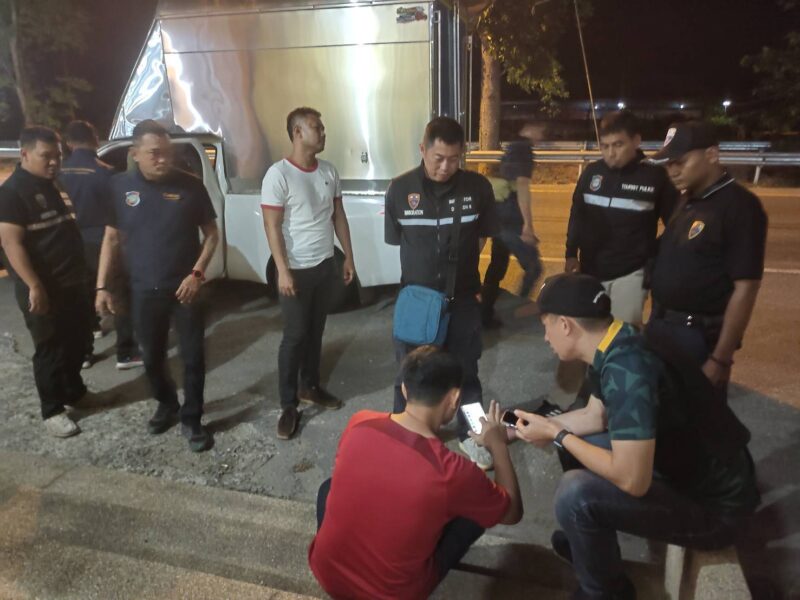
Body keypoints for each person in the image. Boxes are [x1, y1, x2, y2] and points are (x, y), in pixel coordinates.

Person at [511, 273, 759, 599]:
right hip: (690, 471)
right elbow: (593, 417)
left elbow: (633, 480)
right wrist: (532, 427)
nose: (545, 337)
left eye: (546, 326)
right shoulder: (618, 339)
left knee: (575, 494)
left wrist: (556, 433)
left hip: (716, 509)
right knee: (574, 447)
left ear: (566, 325)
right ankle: (590, 550)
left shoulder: (627, 369)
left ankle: (605, 591)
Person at [309, 345, 522, 600]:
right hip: (391, 595)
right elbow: (512, 512)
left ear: (404, 389)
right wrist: (497, 444)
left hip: (327, 575)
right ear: (454, 399)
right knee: (476, 511)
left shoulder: (361, 421)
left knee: (329, 486)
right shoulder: (451, 472)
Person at [95, 120, 219, 452]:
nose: (163, 159)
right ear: (135, 153)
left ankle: (192, 418)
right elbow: (111, 238)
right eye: (154, 153)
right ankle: (167, 403)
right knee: (151, 356)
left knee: (192, 357)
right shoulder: (119, 187)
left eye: (167, 152)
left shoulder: (190, 186)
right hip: (142, 289)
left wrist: (197, 274)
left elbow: (212, 235)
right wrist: (101, 287)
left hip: (185, 290)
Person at [385, 116, 499, 469]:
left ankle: (473, 434)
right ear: (423, 150)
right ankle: (405, 434)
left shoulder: (478, 188)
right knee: (409, 372)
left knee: (467, 373)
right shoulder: (400, 189)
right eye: (438, 158)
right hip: (417, 301)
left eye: (454, 159)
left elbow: (482, 238)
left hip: (462, 300)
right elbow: (398, 239)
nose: (446, 166)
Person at [648, 121, 768, 395]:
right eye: (668, 164)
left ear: (712, 155)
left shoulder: (740, 206)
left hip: (697, 337)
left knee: (699, 415)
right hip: (663, 326)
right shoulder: (688, 198)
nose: (672, 171)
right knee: (664, 411)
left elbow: (746, 287)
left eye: (680, 162)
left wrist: (720, 359)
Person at [261, 107, 356, 440]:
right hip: (296, 270)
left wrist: (348, 258)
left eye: (322, 127)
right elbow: (272, 226)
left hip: (324, 266)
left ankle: (310, 386)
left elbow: (338, 216)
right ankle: (288, 404)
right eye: (317, 127)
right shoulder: (278, 175)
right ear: (298, 132)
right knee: (295, 335)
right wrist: (283, 270)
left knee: (316, 331)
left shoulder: (328, 171)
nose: (323, 132)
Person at [0, 126, 91, 437]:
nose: (54, 162)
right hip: (43, 287)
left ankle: (75, 391)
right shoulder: (12, 193)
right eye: (46, 156)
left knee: (78, 340)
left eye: (58, 156)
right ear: (25, 154)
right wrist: (34, 285)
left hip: (72, 281)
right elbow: (11, 244)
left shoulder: (53, 184)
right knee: (50, 347)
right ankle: (52, 410)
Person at [565, 110, 678, 326]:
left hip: (631, 274)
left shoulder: (655, 176)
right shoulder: (591, 173)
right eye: (605, 146)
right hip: (590, 271)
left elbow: (675, 225)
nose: (611, 153)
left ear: (636, 141)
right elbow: (577, 214)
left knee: (622, 335)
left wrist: (651, 255)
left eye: (618, 145)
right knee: (590, 332)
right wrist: (570, 253)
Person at [59, 120, 142, 371]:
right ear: (95, 139)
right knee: (119, 294)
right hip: (102, 242)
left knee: (82, 296)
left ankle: (84, 352)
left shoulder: (57, 173)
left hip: (71, 244)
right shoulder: (106, 173)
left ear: (69, 143)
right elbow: (120, 215)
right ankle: (126, 352)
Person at [480, 122, 545, 328]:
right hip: (510, 217)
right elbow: (523, 187)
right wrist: (528, 226)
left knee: (498, 264)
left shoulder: (512, 147)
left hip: (498, 214)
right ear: (528, 130)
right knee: (534, 268)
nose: (541, 135)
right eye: (540, 130)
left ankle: (484, 314)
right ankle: (518, 309)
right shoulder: (523, 149)